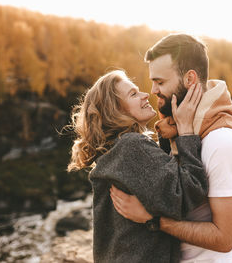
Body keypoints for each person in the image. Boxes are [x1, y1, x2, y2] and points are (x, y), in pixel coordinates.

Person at [110, 33, 232, 263]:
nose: (152, 90)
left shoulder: (222, 142)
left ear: (190, 79)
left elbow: (224, 240)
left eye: (160, 82)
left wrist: (152, 219)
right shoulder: (177, 126)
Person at [67, 69, 209, 262]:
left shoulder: (115, 151)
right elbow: (191, 191)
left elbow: (156, 185)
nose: (145, 95)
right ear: (115, 110)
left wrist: (167, 135)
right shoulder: (132, 146)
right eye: (133, 94)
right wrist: (186, 133)